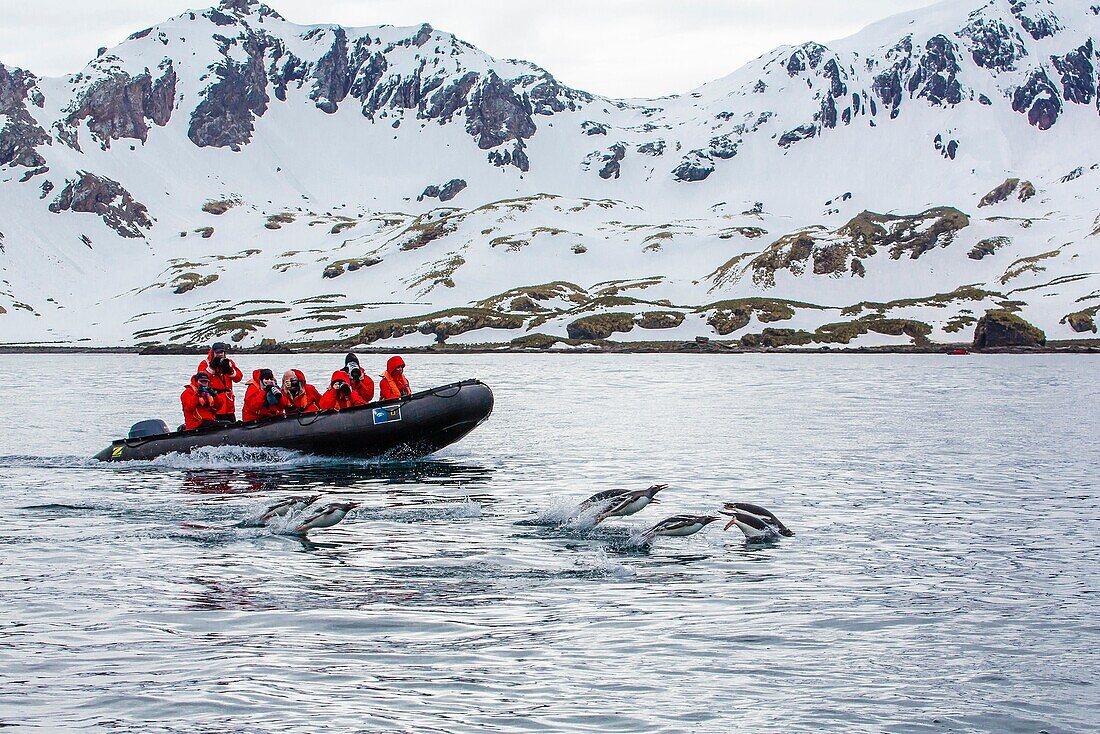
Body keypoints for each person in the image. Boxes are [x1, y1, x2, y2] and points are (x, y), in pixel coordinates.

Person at [197, 342, 243, 421]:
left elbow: (238, 378)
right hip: (215, 401)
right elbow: (201, 380)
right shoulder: (205, 363)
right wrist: (212, 368)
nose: (220, 354)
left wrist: (230, 371)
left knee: (231, 423)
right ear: (213, 353)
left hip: (229, 402)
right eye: (217, 352)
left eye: (221, 352)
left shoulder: (229, 362)